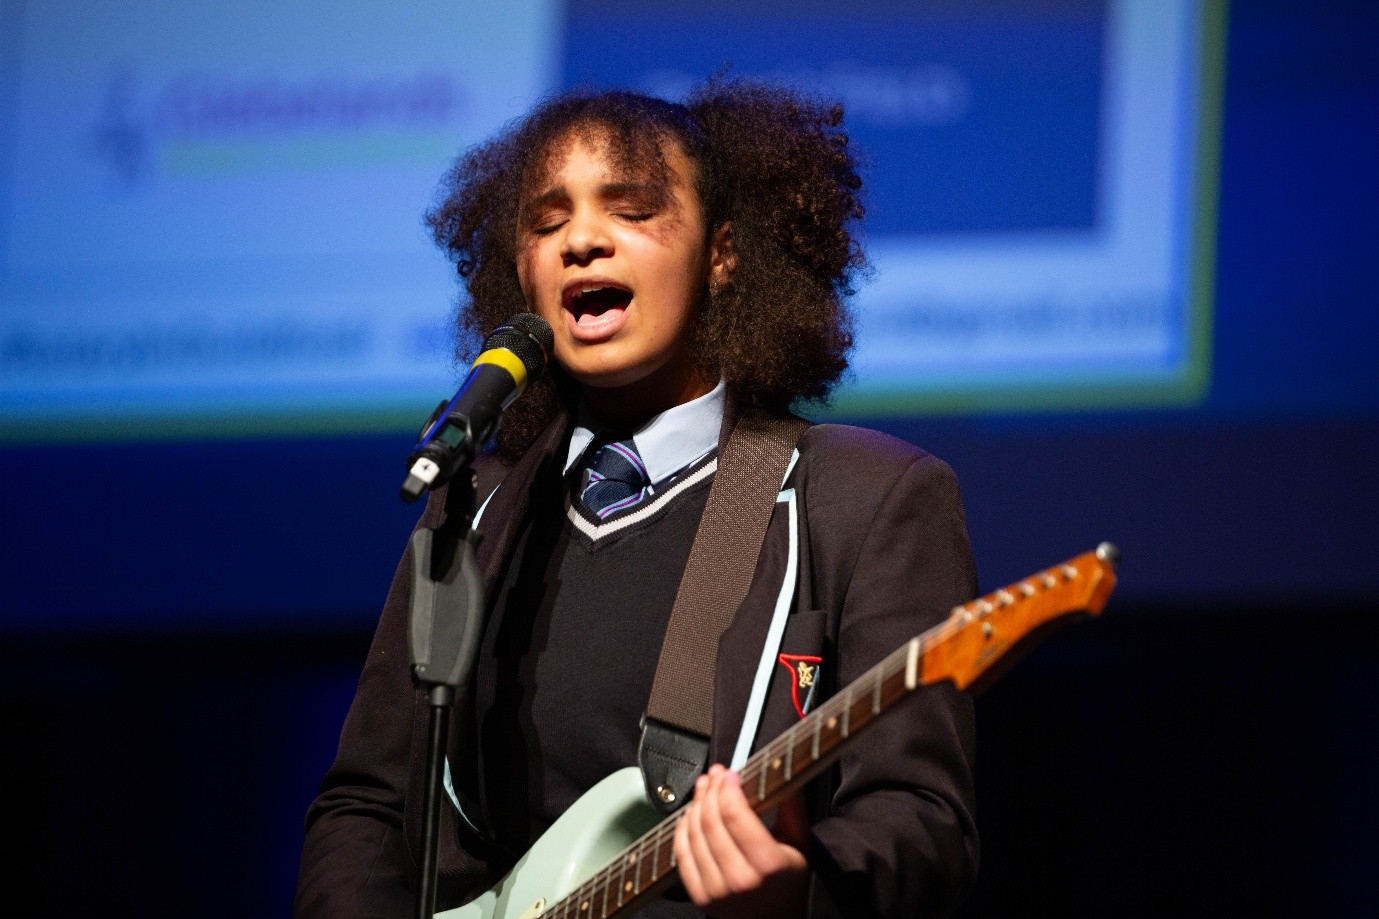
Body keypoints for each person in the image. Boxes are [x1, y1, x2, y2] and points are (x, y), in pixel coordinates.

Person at [296, 77, 979, 918]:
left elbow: (923, 824)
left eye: (631, 210)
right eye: (546, 223)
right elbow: (367, 807)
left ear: (720, 254)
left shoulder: (866, 497)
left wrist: (800, 887)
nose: (581, 240)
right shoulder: (473, 509)